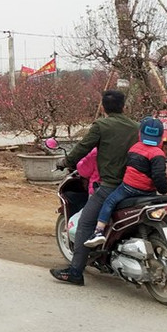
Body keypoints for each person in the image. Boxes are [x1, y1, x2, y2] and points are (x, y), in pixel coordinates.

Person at [50, 89, 139, 286]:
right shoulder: (135, 127)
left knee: (85, 224)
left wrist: (65, 162)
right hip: (134, 185)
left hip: (110, 185)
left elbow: (83, 147)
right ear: (124, 107)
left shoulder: (101, 125)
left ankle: (75, 272)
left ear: (103, 108)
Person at [84, 117, 167, 247]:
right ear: (161, 136)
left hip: (128, 188)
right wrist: (164, 191)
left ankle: (98, 231)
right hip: (148, 192)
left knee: (109, 202)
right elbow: (159, 176)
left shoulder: (134, 148)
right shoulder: (158, 153)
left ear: (140, 133)